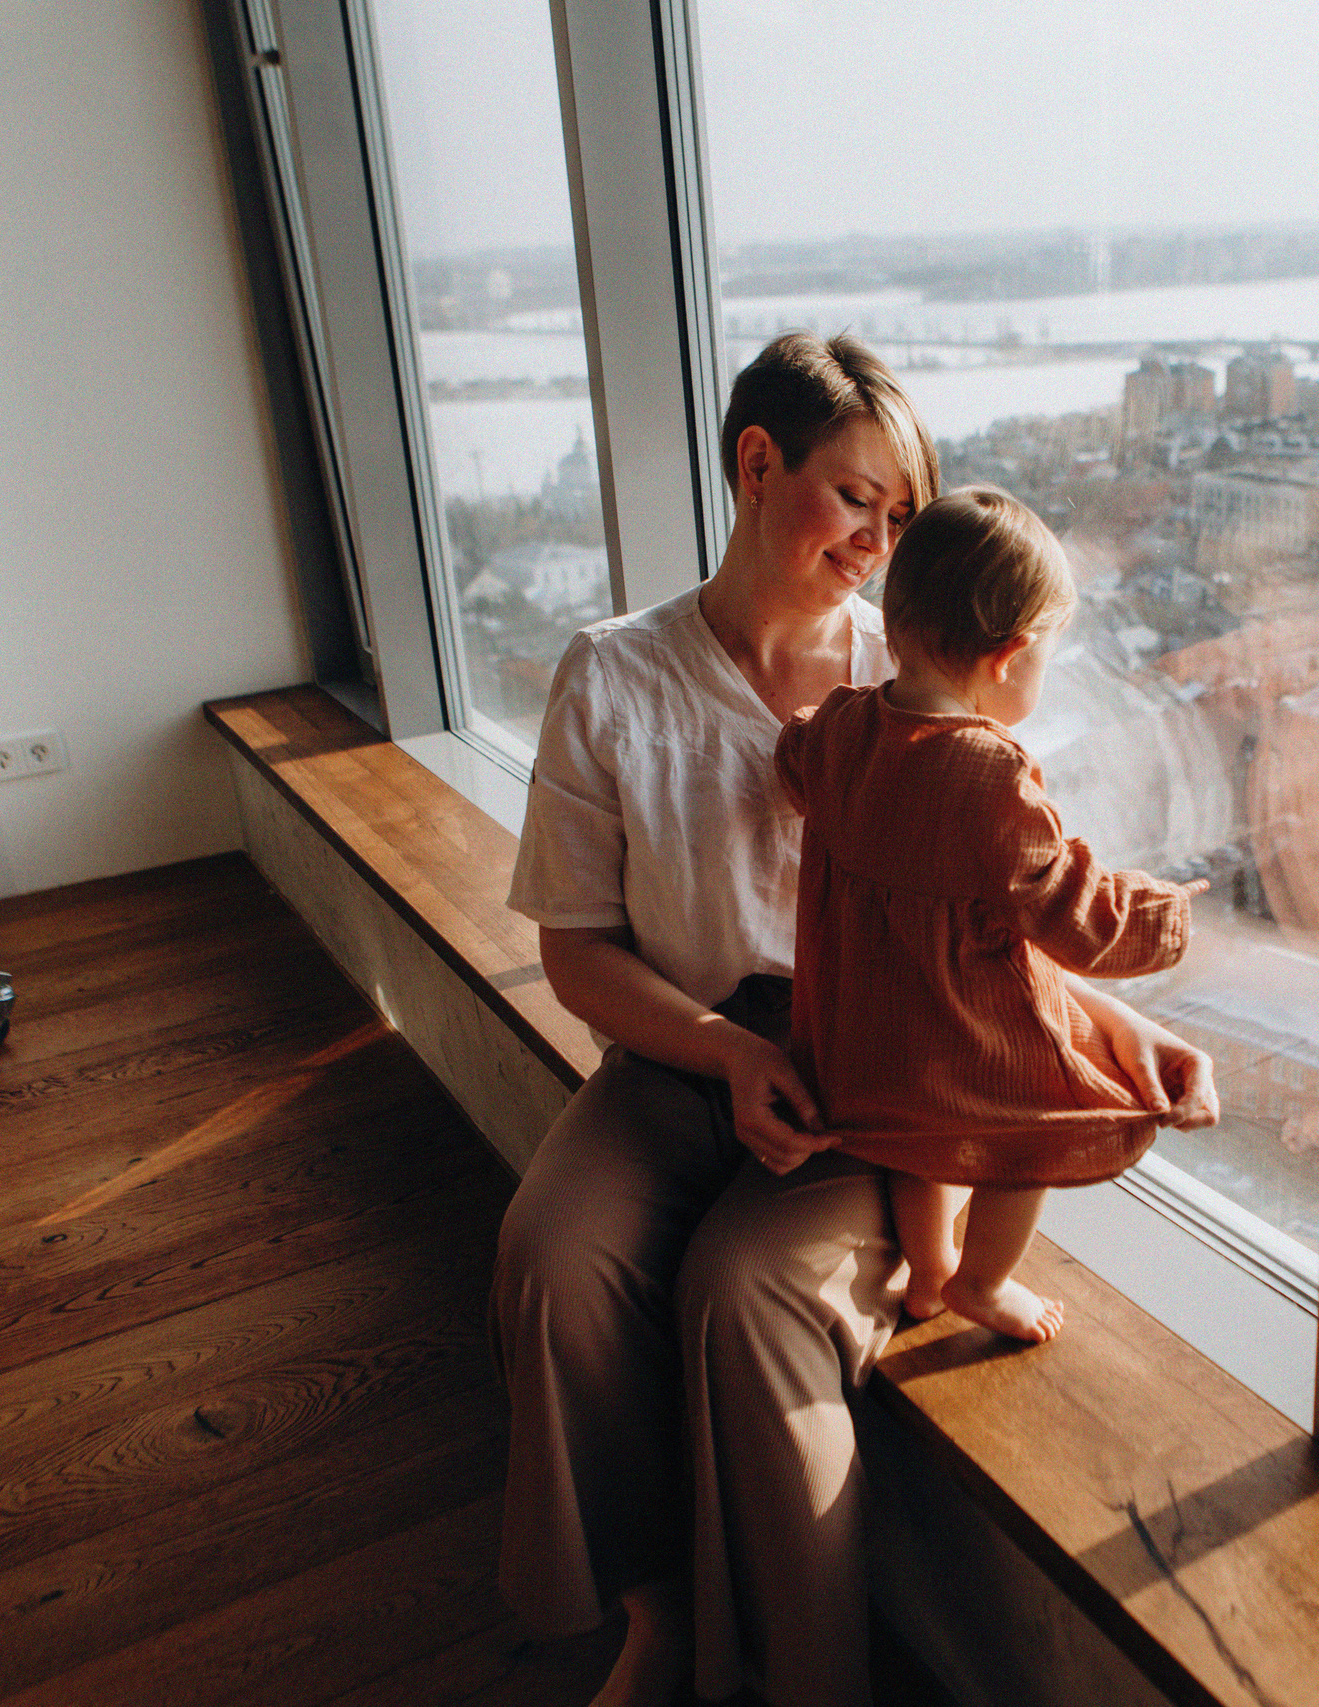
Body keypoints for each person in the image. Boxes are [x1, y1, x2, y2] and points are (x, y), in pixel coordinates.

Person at [490, 332, 1220, 1707]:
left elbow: (988, 916)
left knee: (746, 1293)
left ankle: (809, 1677)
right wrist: (725, 1051)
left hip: (871, 1070)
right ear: (758, 464)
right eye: (855, 500)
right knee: (553, 1253)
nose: (880, 543)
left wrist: (1106, 1033)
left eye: (902, 516)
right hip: (683, 1044)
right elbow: (576, 952)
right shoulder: (616, 674)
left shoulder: (923, 672)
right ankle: (657, 1617)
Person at [776, 488, 1205, 1344]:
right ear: (1009, 658)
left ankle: (931, 1271)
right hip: (959, 1039)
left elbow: (793, 758)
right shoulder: (991, 778)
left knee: (919, 1142)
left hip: (864, 1048)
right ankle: (982, 1280)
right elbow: (1075, 916)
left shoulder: (842, 727)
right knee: (1034, 1128)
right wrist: (1168, 910)